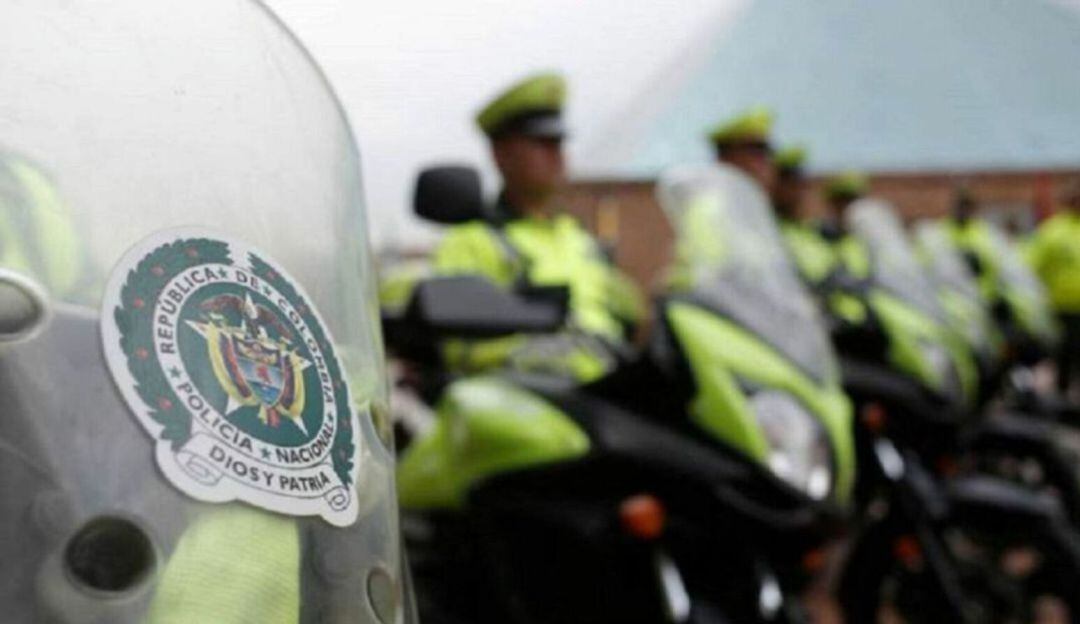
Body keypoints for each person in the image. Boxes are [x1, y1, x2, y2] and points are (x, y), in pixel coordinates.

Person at [431, 73, 642, 381]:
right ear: (500, 154)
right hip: (533, 395)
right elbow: (459, 346)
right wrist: (546, 354)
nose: (557, 156)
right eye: (542, 144)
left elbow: (629, 316)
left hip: (613, 390)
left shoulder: (577, 237)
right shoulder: (471, 240)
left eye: (559, 143)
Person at [1027, 179, 1080, 395]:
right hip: (1061, 308)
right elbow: (1031, 266)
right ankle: (1063, 395)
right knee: (1065, 353)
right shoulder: (1052, 231)